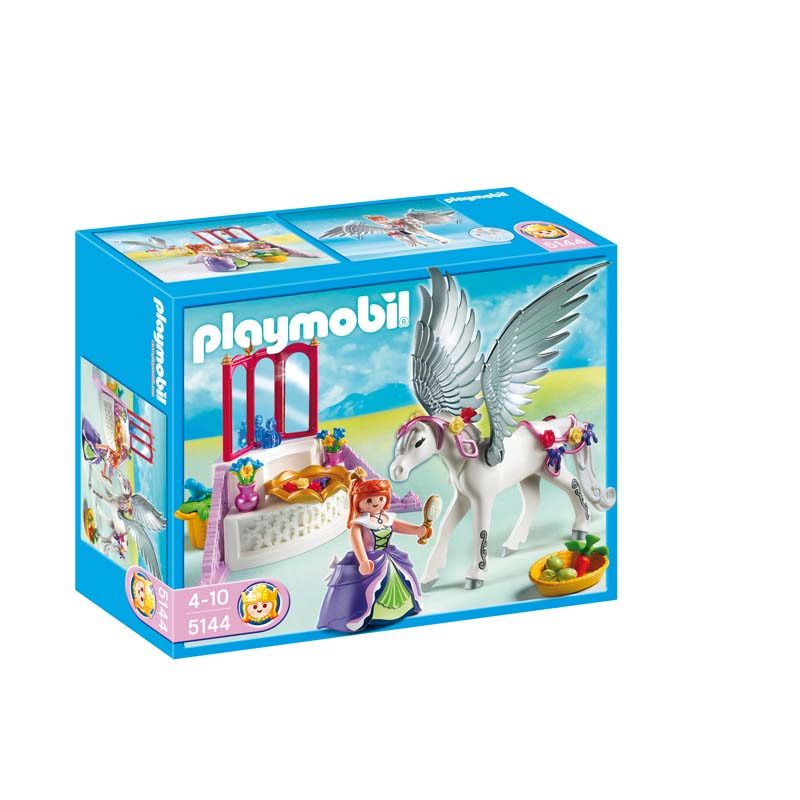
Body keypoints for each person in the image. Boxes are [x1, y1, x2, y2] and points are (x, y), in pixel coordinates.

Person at [318, 468, 430, 633]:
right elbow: (357, 544)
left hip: (390, 556)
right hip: (371, 560)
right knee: (369, 587)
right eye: (369, 500)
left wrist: (418, 530)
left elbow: (400, 526)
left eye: (380, 498)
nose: (376, 503)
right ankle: (361, 617)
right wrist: (363, 561)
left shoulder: (387, 518)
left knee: (407, 577)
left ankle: (408, 606)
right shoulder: (359, 524)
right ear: (359, 502)